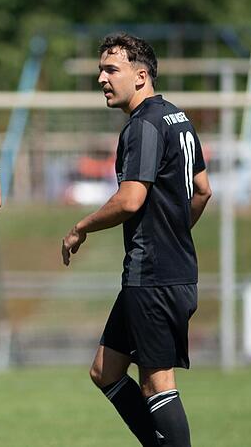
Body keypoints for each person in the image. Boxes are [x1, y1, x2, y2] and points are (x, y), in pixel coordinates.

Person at [61, 34, 212, 446]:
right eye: (100, 70)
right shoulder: (177, 118)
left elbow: (130, 200)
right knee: (105, 371)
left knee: (157, 383)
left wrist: (81, 227)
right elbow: (203, 190)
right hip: (166, 271)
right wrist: (174, 232)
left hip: (154, 276)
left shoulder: (142, 125)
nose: (101, 79)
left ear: (141, 76)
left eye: (111, 70)